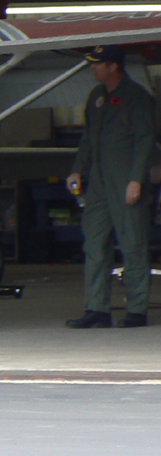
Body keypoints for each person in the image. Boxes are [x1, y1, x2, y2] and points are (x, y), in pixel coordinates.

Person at [65, 44, 156, 329]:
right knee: (94, 244)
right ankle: (97, 309)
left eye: (98, 63)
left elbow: (145, 140)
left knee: (132, 245)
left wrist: (136, 179)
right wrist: (78, 170)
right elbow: (88, 138)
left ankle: (137, 310)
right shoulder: (96, 97)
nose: (93, 67)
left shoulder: (137, 98)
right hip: (100, 185)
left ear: (113, 66)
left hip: (126, 180)